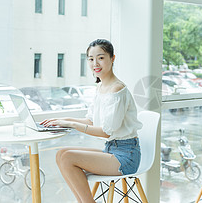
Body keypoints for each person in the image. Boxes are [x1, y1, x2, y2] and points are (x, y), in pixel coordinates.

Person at [41, 39, 143, 203]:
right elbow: (90, 120)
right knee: (61, 154)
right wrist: (63, 119)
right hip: (111, 150)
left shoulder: (117, 89)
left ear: (112, 58)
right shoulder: (101, 87)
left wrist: (72, 124)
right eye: (90, 59)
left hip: (126, 156)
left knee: (68, 158)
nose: (95, 63)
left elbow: (105, 131)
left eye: (101, 58)